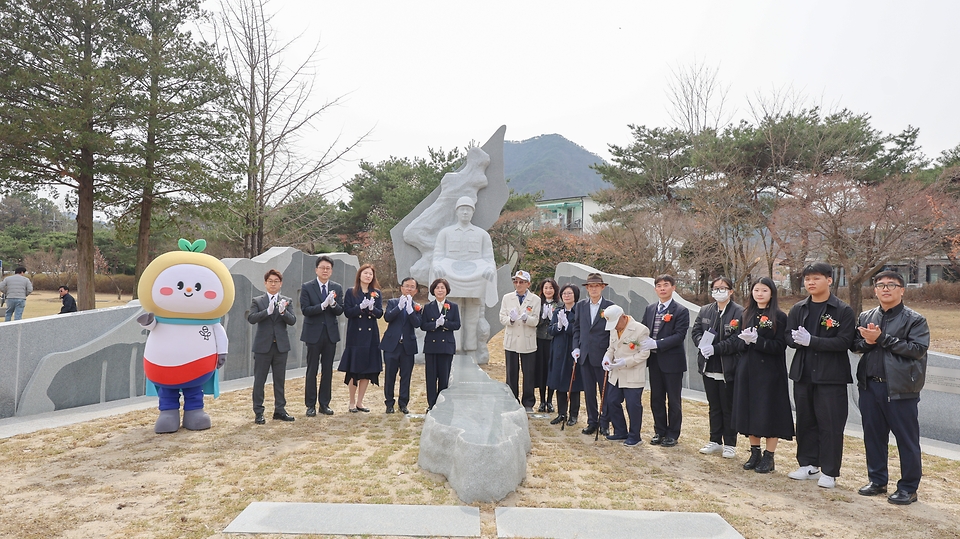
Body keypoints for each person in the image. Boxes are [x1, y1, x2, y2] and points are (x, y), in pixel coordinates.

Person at [852, 270, 929, 505]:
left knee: (906, 440)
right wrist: (866, 341)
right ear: (874, 290)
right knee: (873, 437)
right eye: (880, 285)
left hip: (900, 389)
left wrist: (882, 338)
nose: (886, 288)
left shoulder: (915, 319)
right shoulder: (866, 316)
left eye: (892, 285)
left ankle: (908, 487)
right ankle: (877, 480)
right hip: (869, 387)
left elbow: (917, 349)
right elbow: (855, 345)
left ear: (902, 290)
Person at [786, 262, 856, 489]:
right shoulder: (799, 308)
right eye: (807, 279)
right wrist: (795, 339)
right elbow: (788, 336)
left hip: (830, 376)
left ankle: (830, 470)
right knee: (805, 421)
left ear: (829, 280)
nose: (811, 283)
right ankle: (807, 463)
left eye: (816, 278)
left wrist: (812, 341)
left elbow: (845, 341)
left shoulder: (842, 310)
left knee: (831, 424)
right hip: (803, 374)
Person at [727, 277, 794, 473]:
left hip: (770, 372)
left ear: (771, 293)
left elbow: (781, 346)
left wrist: (759, 341)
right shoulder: (745, 313)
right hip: (747, 369)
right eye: (756, 290)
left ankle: (769, 456)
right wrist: (745, 341)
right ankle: (754, 451)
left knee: (769, 412)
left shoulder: (779, 317)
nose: (760, 294)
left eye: (764, 290)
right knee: (749, 411)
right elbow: (736, 342)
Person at [428, 196, 497, 356]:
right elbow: (437, 256)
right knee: (452, 311)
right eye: (462, 209)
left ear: (473, 212)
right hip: (452, 276)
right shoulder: (445, 233)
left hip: (475, 278)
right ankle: (456, 347)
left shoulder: (482, 234)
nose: (465, 212)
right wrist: (437, 265)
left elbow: (488, 258)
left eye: (468, 209)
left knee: (473, 313)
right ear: (457, 211)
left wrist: (489, 268)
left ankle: (471, 348)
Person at [692, 276, 743, 459]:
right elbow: (696, 331)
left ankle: (730, 443)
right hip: (708, 365)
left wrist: (715, 348)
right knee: (714, 406)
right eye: (715, 288)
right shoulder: (706, 310)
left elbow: (737, 340)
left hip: (727, 366)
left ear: (731, 291)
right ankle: (714, 440)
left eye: (723, 288)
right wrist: (701, 344)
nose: (718, 291)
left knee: (727, 406)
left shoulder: (739, 312)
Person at [640, 274, 690, 448]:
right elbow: (643, 329)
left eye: (666, 285)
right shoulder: (650, 308)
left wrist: (658, 343)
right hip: (654, 360)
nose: (662, 288)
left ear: (673, 288)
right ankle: (659, 431)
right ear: (655, 289)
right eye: (659, 285)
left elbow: (679, 336)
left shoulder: (681, 311)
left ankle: (672, 434)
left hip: (672, 362)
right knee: (656, 398)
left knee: (674, 400)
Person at [246, 269, 297, 424]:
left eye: (276, 281)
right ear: (265, 283)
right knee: (259, 380)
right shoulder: (258, 300)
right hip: (263, 346)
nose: (273, 284)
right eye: (270, 281)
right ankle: (259, 412)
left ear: (280, 283)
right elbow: (251, 318)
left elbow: (293, 320)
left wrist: (283, 312)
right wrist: (266, 312)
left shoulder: (286, 300)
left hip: (281, 346)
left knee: (279, 380)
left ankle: (280, 410)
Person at [300, 255, 344, 417]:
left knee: (328, 370)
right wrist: (322, 306)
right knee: (312, 370)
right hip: (313, 334)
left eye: (328, 268)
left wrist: (332, 304)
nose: (325, 271)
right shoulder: (307, 287)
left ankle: (324, 404)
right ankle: (310, 405)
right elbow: (305, 310)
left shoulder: (336, 288)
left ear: (331, 271)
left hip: (330, 334)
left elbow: (340, 310)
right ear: (316, 270)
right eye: (322, 268)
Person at [601, 304, 651, 447]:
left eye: (616, 323)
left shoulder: (640, 329)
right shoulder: (613, 330)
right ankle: (620, 430)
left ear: (623, 317)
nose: (615, 327)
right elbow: (611, 348)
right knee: (612, 401)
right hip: (616, 373)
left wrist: (626, 362)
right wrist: (606, 357)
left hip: (632, 373)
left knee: (633, 405)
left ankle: (635, 436)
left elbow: (644, 353)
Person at [572, 272, 615, 436]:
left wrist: (610, 354)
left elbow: (614, 332)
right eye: (591, 286)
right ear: (587, 288)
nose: (594, 289)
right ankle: (592, 421)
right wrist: (576, 347)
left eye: (597, 286)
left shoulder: (610, 306)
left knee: (604, 391)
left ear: (602, 287)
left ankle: (605, 422)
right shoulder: (581, 305)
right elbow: (577, 328)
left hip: (602, 354)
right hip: (585, 355)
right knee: (589, 392)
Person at [338, 264, 384, 413]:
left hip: (371, 336)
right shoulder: (351, 292)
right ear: (360, 275)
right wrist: (360, 307)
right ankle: (351, 401)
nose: (368, 276)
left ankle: (360, 402)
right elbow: (347, 312)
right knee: (354, 370)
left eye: (370, 274)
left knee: (367, 369)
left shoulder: (376, 293)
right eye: (365, 273)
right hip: (355, 335)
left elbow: (379, 313)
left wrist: (371, 309)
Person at [499, 270, 542, 411]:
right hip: (511, 339)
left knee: (528, 372)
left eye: (522, 282)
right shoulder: (507, 297)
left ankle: (528, 402)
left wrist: (526, 319)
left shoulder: (535, 300)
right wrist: (510, 319)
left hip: (527, 339)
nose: (518, 284)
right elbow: (502, 317)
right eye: (516, 281)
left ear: (528, 284)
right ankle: (512, 399)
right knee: (512, 372)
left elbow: (536, 320)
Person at [381, 277, 422, 415]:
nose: (409, 289)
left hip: (407, 346)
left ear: (415, 291)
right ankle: (389, 403)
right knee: (390, 376)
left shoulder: (417, 306)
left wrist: (410, 310)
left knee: (406, 376)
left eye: (412, 287)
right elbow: (387, 318)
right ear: (401, 288)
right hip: (392, 345)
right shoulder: (393, 302)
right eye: (407, 286)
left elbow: (417, 323)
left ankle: (403, 403)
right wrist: (399, 307)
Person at [420, 278, 461, 411]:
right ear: (433, 290)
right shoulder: (428, 307)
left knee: (444, 377)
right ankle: (431, 405)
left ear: (447, 290)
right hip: (431, 347)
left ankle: (442, 404)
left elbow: (457, 324)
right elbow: (423, 325)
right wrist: (435, 324)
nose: (440, 290)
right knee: (431, 377)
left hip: (446, 346)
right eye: (437, 288)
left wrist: (445, 324)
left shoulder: (453, 306)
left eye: (442, 288)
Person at [547, 283, 582, 426]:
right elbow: (550, 329)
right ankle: (562, 413)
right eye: (564, 294)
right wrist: (558, 326)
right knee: (558, 382)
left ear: (575, 296)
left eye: (569, 293)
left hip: (573, 350)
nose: (566, 296)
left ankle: (573, 415)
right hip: (558, 350)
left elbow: (579, 330)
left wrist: (568, 326)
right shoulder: (558, 310)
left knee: (573, 384)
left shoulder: (579, 311)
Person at [535, 278, 560, 413]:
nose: (548, 290)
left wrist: (553, 319)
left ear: (555, 289)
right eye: (545, 288)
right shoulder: (538, 303)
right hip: (540, 339)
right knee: (541, 369)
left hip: (553, 340)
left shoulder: (559, 304)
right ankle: (542, 400)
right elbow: (533, 321)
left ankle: (550, 401)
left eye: (550, 288)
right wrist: (542, 318)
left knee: (551, 369)